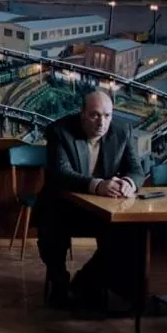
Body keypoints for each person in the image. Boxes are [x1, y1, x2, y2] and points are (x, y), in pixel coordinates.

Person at [34, 90, 145, 309]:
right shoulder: (60, 131)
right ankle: (59, 281)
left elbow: (136, 170)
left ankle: (87, 281)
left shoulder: (122, 131)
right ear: (82, 113)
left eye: (107, 115)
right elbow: (61, 174)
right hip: (64, 207)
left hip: (103, 209)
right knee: (51, 226)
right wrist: (98, 185)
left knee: (131, 233)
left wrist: (128, 183)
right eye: (95, 115)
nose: (102, 122)